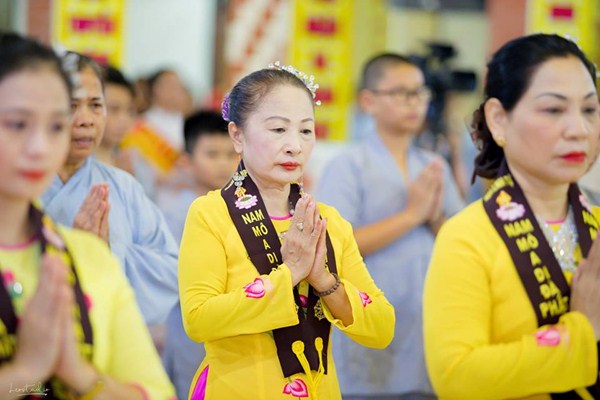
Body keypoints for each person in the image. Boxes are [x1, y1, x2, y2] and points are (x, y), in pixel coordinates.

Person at [178, 63, 395, 400]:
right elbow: (198, 319)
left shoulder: (328, 221)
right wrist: (290, 273)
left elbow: (381, 327)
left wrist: (324, 281)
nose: (295, 145)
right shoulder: (211, 214)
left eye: (306, 131)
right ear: (237, 135)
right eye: (279, 129)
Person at [424, 33, 600, 399]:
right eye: (554, 110)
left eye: (589, 109)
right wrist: (581, 333)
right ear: (499, 119)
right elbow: (457, 377)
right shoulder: (467, 236)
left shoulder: (595, 224)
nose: (579, 130)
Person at [0, 31, 175, 399]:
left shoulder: (114, 203)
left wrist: (78, 375)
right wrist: (27, 373)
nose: (39, 146)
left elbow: (156, 392)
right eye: (18, 124)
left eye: (95, 106)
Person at [317, 53, 464, 399]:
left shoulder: (432, 164)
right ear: (368, 101)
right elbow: (333, 246)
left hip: (425, 318)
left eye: (420, 93)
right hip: (368, 316)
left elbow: (458, 241)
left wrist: (434, 217)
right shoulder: (348, 165)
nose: (414, 103)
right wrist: (411, 215)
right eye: (401, 93)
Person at [40, 52, 179, 327]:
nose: (86, 120)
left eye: (95, 105)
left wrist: (107, 253)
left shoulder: (123, 186)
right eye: (71, 106)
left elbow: (169, 271)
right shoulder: (16, 186)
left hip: (108, 334)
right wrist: (74, 252)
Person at [162, 110, 237, 399]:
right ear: (186, 160)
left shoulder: (244, 208)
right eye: (212, 154)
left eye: (231, 154)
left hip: (235, 326)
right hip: (191, 331)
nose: (223, 163)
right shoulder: (177, 213)